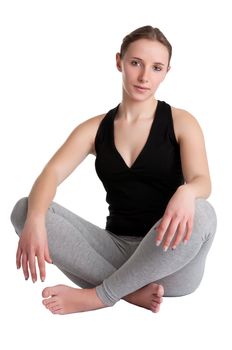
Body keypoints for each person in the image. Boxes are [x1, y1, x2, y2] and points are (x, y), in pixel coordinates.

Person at [10, 25, 217, 315]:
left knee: (204, 212)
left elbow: (202, 181)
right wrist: (34, 218)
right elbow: (51, 175)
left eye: (156, 68)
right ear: (119, 61)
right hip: (115, 251)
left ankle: (98, 296)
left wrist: (188, 190)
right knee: (24, 208)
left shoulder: (182, 122)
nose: (145, 76)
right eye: (136, 63)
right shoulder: (94, 129)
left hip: (170, 257)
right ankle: (130, 291)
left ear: (166, 72)